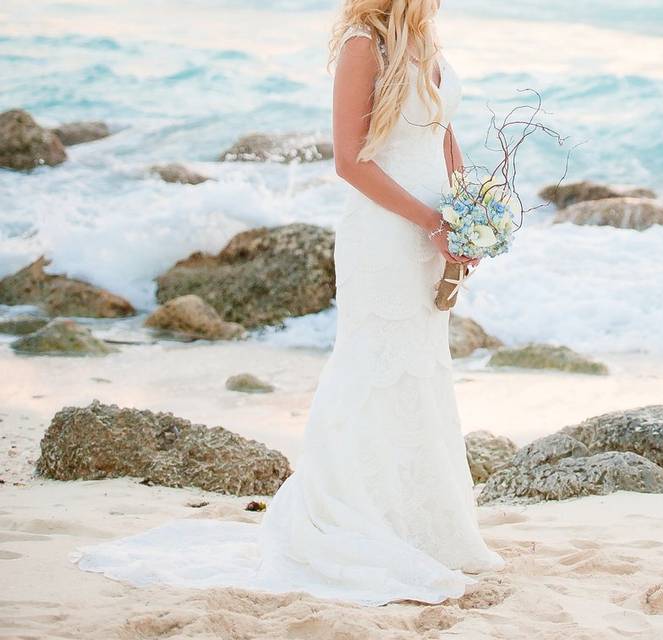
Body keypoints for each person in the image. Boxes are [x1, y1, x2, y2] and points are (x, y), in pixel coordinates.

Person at [72, 0, 505, 607]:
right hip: (385, 235)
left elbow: (444, 135)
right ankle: (348, 523)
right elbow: (350, 161)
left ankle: (423, 527)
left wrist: (468, 214)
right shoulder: (365, 44)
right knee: (370, 367)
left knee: (422, 371)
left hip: (434, 233)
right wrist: (431, 220)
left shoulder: (426, 40)